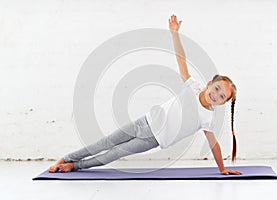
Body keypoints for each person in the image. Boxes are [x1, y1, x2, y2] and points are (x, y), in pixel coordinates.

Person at [49, 14, 242, 175]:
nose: (216, 95)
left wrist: (223, 169)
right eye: (217, 89)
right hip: (146, 121)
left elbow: (213, 144)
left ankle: (74, 165)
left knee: (114, 153)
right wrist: (175, 34)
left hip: (152, 139)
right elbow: (181, 59)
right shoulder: (193, 87)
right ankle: (67, 158)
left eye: (222, 97)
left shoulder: (207, 117)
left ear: (223, 103)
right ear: (210, 84)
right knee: (106, 141)